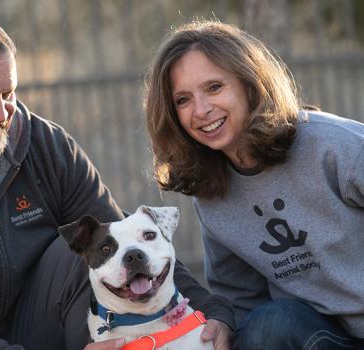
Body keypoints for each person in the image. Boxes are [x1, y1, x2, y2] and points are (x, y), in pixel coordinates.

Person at [0, 9, 235, 350]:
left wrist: (214, 313)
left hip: (42, 326)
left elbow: (121, 237)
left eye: (7, 94)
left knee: (95, 249)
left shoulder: (45, 145)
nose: (0, 114)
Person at [144, 19, 364, 350]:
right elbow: (241, 300)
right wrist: (219, 323)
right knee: (268, 325)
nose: (201, 110)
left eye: (215, 87)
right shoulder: (212, 196)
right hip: (321, 336)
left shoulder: (334, 146)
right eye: (183, 100)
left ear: (250, 84)